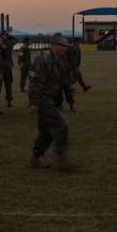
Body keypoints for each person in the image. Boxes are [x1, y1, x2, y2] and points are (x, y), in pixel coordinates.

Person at [28, 34, 78, 171]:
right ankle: (61, 160)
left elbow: (62, 78)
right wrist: (34, 104)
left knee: (47, 132)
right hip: (43, 100)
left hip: (50, 99)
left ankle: (34, 161)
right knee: (61, 126)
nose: (66, 49)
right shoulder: (45, 60)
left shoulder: (58, 60)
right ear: (55, 45)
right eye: (64, 46)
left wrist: (69, 86)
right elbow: (36, 82)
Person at [0, 31, 18, 106]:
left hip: (1, 66)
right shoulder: (9, 43)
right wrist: (9, 36)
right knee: (8, 84)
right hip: (7, 65)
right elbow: (15, 40)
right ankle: (9, 101)